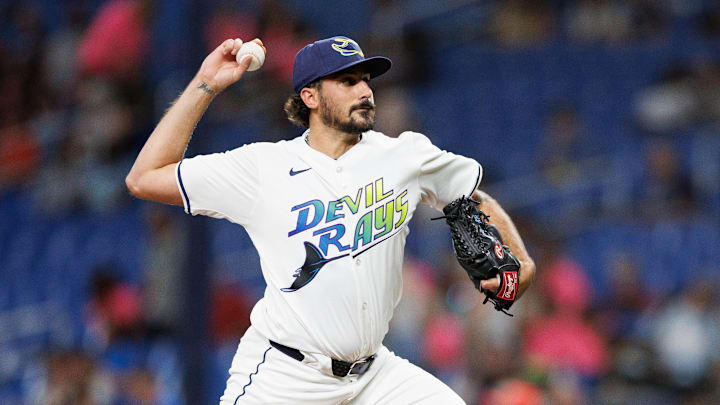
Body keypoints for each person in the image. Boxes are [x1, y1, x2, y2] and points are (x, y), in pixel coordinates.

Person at [126, 35, 535, 405]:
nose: (364, 90)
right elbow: (144, 178)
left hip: (375, 376)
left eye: (365, 79)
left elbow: (470, 195)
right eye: (347, 81)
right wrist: (206, 84)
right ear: (310, 96)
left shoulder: (404, 155)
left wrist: (522, 262)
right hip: (286, 376)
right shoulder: (262, 167)